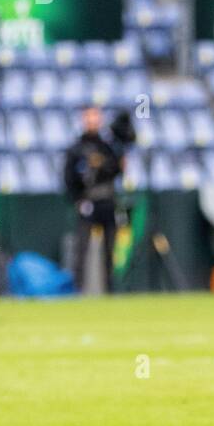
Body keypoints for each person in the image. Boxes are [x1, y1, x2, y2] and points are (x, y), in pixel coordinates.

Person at [63, 106, 124, 293]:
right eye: (89, 117)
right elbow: (68, 177)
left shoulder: (109, 146)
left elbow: (117, 170)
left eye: (96, 117)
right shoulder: (76, 148)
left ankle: (110, 290)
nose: (92, 121)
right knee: (82, 248)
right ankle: (78, 289)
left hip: (107, 201)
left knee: (110, 249)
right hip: (87, 201)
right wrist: (77, 200)